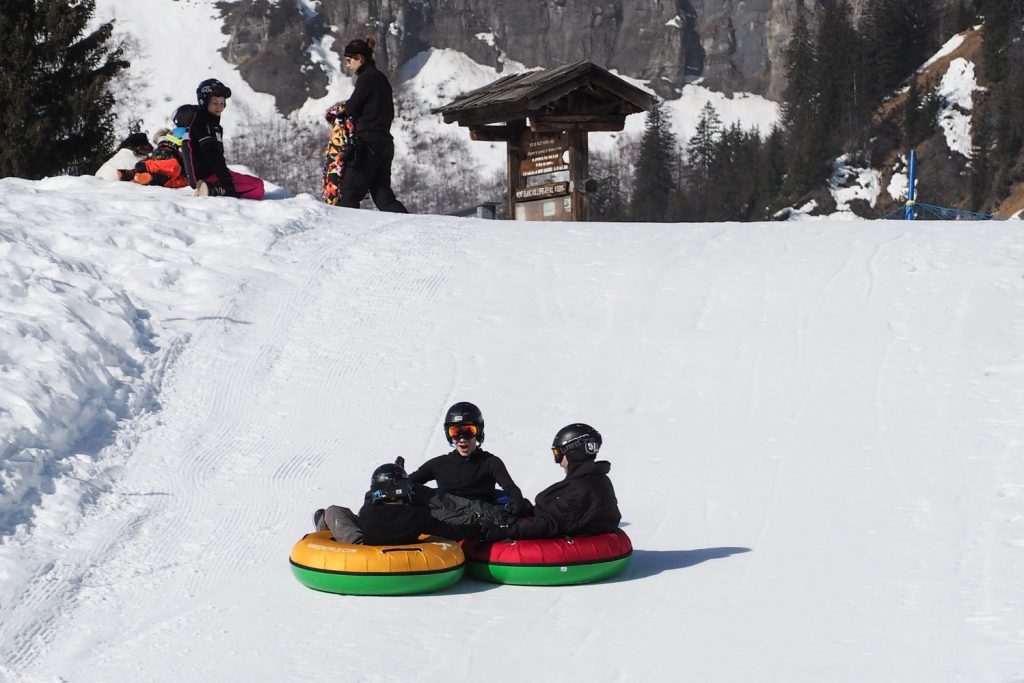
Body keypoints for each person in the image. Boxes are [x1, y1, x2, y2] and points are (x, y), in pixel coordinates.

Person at [484, 423, 621, 541]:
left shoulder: (581, 488)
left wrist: (504, 530)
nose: (559, 463)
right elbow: (564, 515)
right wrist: (528, 510)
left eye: (558, 454)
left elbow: (550, 524)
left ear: (573, 453)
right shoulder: (597, 480)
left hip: (570, 547)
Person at [409, 402, 531, 526]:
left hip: (480, 520)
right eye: (455, 431)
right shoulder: (439, 464)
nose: (462, 438)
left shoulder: (490, 462)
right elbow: (409, 482)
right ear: (448, 434)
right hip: (447, 523)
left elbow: (510, 488)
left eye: (468, 431)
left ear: (478, 432)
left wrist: (517, 503)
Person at [313, 460, 486, 545]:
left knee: (334, 511)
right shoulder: (416, 516)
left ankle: (323, 530)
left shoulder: (368, 512)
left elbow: (370, 509)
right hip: (406, 541)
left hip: (363, 548)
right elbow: (451, 531)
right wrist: (478, 528)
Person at [335, 37, 408, 212]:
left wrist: (342, 112)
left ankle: (345, 234)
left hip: (368, 142)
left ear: (360, 58)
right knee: (382, 194)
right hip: (384, 142)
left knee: (349, 192)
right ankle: (410, 227)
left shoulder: (366, 78)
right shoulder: (381, 79)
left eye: (349, 60)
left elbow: (352, 107)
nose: (348, 65)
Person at [178, 78, 265, 200]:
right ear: (204, 102)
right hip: (208, 176)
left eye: (222, 103)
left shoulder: (211, 124)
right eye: (215, 103)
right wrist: (227, 182)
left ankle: (213, 187)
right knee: (257, 187)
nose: (219, 107)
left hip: (212, 174)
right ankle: (212, 189)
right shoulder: (204, 123)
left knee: (257, 184)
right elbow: (212, 154)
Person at [116, 127, 189, 189]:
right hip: (155, 165)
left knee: (183, 181)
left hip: (164, 177)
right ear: (175, 144)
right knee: (174, 166)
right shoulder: (166, 151)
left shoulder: (168, 145)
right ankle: (137, 171)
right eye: (186, 147)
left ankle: (145, 177)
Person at [320, 102, 356, 205]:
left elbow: (336, 150)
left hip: (336, 167)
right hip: (341, 166)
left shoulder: (340, 125)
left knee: (334, 201)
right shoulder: (350, 125)